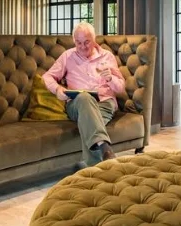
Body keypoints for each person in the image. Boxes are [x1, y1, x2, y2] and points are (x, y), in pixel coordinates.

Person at [42, 22, 125, 166]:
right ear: (74, 41)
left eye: (87, 42)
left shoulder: (107, 56)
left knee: (88, 122)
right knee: (85, 97)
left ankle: (94, 168)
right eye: (78, 42)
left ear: (94, 39)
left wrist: (110, 79)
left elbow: (120, 87)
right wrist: (57, 89)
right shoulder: (67, 56)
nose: (83, 46)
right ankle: (105, 148)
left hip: (104, 103)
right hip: (77, 104)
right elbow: (47, 76)